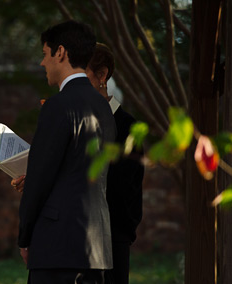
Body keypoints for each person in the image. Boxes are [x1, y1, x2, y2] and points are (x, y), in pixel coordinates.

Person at [17, 20, 115, 284]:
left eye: (44, 54)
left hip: (57, 248)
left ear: (60, 53)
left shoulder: (58, 106)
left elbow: (39, 179)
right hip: (97, 249)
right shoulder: (104, 107)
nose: (42, 63)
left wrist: (25, 236)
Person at [85, 43, 145, 284]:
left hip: (110, 242)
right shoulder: (72, 122)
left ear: (102, 75)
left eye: (82, 74)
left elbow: (124, 189)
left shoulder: (127, 127)